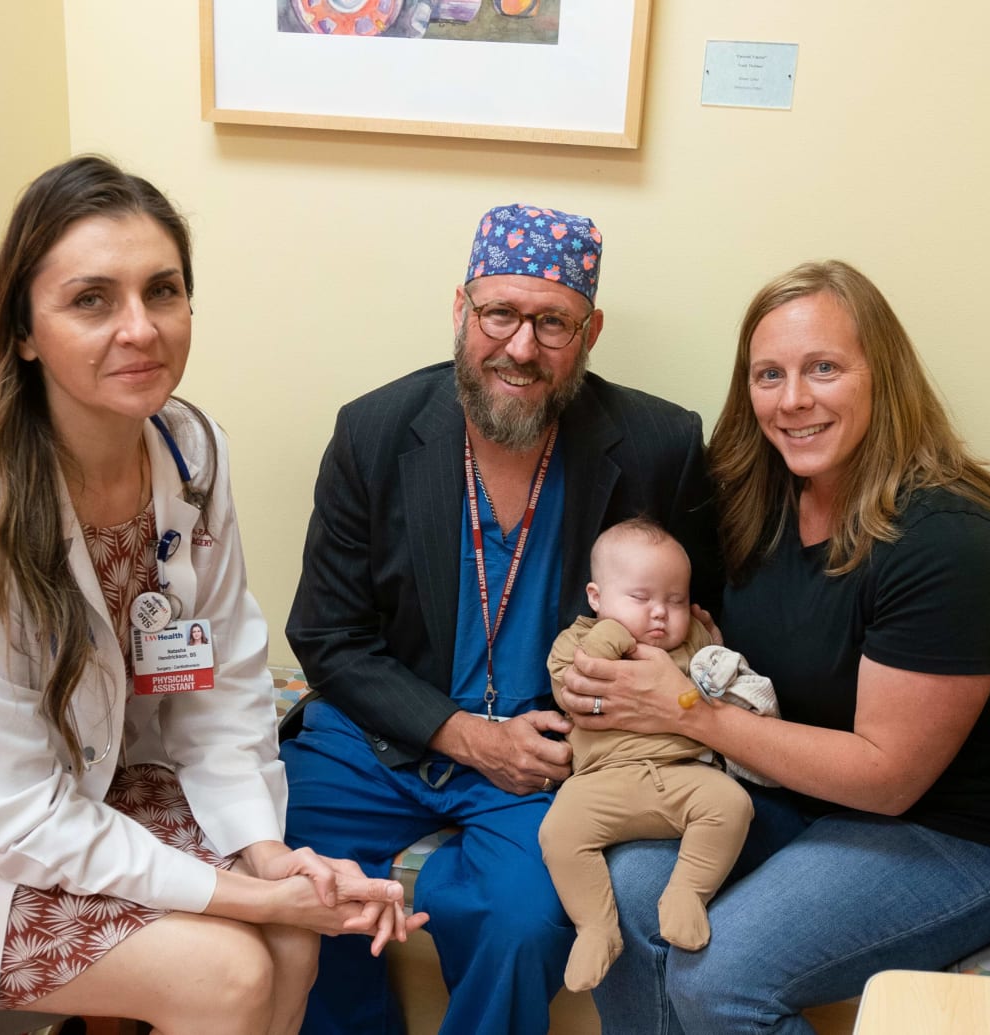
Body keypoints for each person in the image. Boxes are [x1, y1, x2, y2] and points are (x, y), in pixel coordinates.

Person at [0, 155, 422, 1035]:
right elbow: (2, 812)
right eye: (92, 299)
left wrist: (270, 858)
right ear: (25, 329)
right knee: (226, 972)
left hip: (92, 783)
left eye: (164, 291)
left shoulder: (192, 452)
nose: (141, 328)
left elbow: (220, 684)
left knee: (293, 944)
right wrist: (247, 900)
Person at [558, 260, 990, 1034]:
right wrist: (596, 682)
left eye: (823, 368)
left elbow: (888, 779)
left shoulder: (949, 541)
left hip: (946, 833)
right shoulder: (756, 500)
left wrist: (687, 710)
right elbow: (671, 624)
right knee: (630, 889)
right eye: (769, 374)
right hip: (791, 797)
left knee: (719, 979)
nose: (792, 400)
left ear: (881, 376)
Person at [281, 203, 722, 1035]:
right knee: (297, 878)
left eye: (552, 322)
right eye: (500, 314)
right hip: (380, 730)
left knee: (523, 925)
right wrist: (462, 734)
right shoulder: (373, 431)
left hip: (555, 753)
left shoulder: (661, 444)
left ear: (590, 333)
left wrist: (672, 676)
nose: (521, 347)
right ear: (461, 310)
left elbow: (700, 614)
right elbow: (329, 634)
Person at [540, 518, 776, 993]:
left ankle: (687, 893)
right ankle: (596, 928)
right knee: (558, 832)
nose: (660, 615)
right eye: (641, 598)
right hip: (600, 782)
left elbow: (719, 690)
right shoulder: (575, 642)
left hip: (682, 774)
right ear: (596, 597)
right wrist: (612, 635)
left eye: (675, 601)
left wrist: (714, 653)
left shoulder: (694, 643)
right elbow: (573, 687)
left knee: (732, 806)